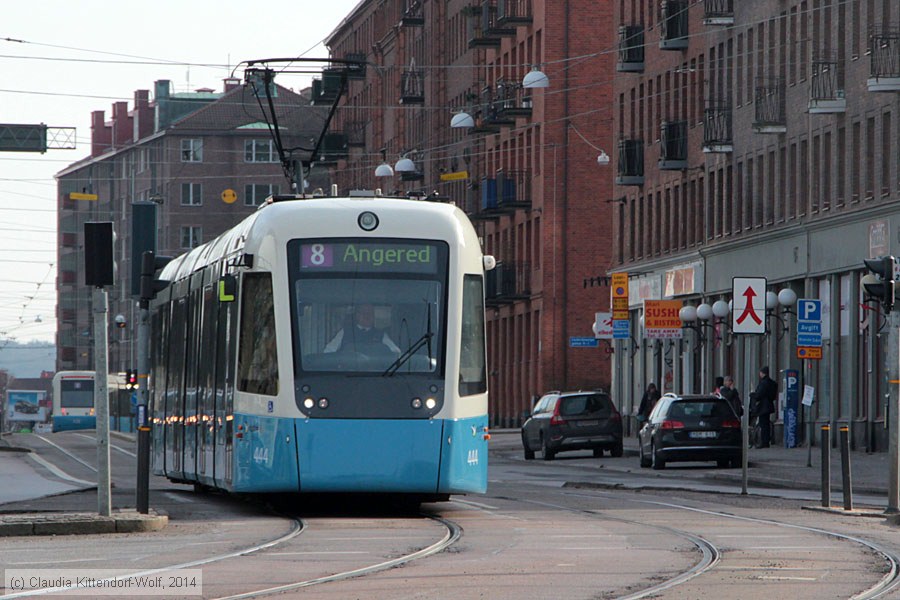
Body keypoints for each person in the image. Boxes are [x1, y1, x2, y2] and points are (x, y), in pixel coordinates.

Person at [324, 303, 401, 354]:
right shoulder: (345, 332)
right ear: (357, 315)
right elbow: (328, 352)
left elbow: (396, 352)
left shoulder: (381, 335)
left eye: (370, 313)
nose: (366, 316)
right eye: (363, 313)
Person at [752, 366, 777, 448]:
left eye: (760, 373)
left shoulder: (763, 383)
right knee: (766, 423)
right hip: (769, 405)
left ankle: (764, 442)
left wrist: (753, 395)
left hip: (763, 406)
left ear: (763, 373)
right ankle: (766, 441)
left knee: (763, 424)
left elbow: (759, 394)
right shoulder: (772, 383)